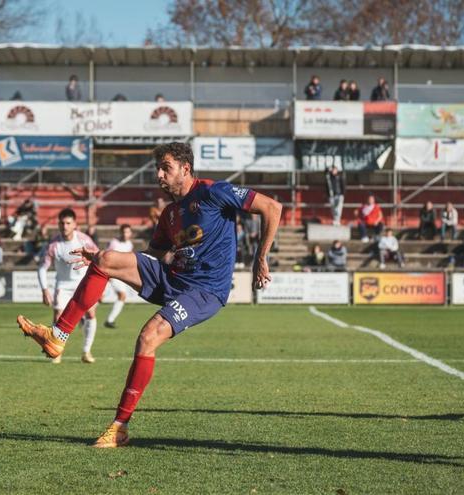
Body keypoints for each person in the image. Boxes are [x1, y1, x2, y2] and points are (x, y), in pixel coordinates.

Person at [16, 142, 281, 448]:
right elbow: (153, 254)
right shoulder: (170, 214)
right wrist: (102, 260)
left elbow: (272, 208)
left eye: (166, 168)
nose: (159, 174)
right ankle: (58, 336)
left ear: (185, 168)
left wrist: (260, 257)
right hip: (173, 278)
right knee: (106, 258)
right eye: (158, 168)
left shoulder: (213, 192)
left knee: (148, 337)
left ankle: (120, 427)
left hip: (205, 290)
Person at [36, 208, 100, 364]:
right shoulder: (53, 245)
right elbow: (42, 268)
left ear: (75, 224)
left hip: (83, 283)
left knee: (91, 314)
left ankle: (86, 351)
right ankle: (56, 351)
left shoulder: (84, 240)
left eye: (68, 223)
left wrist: (99, 283)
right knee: (59, 318)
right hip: (63, 285)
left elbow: (100, 259)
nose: (64, 226)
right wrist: (44, 289)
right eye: (62, 223)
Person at [104, 224, 134, 329]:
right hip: (111, 273)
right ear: (120, 232)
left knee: (122, 296)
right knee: (100, 298)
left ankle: (110, 320)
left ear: (130, 233)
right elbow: (106, 257)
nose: (126, 234)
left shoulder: (129, 244)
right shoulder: (114, 243)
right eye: (124, 232)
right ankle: (85, 316)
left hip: (120, 274)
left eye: (128, 232)